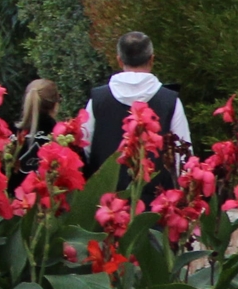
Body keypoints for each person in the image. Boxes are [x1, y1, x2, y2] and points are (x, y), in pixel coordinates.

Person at [78, 31, 192, 182]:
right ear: (152, 59)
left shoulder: (98, 100)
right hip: (157, 194)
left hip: (105, 192)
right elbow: (182, 154)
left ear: (119, 60)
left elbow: (84, 149)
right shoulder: (170, 101)